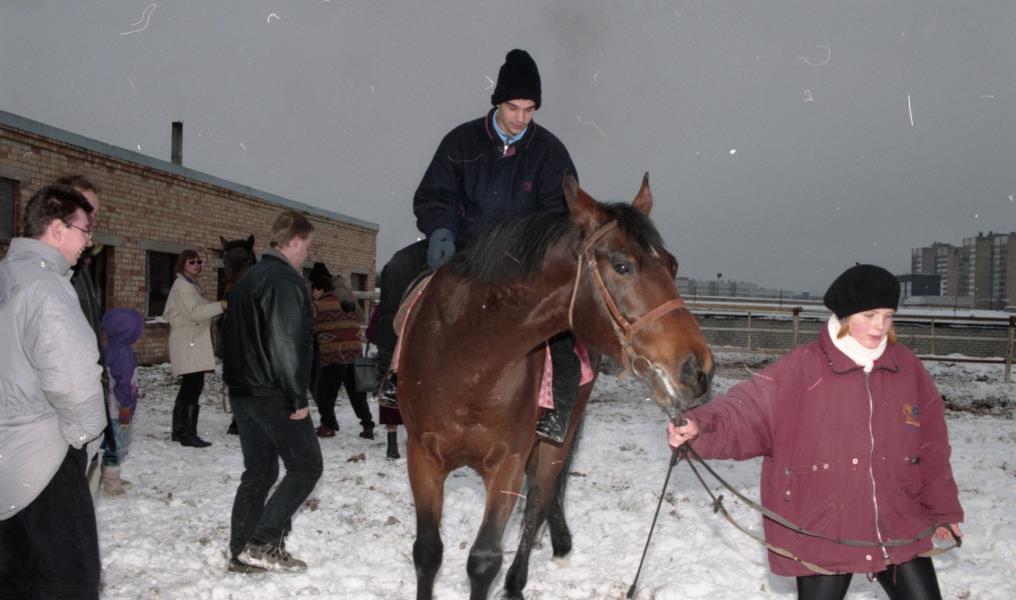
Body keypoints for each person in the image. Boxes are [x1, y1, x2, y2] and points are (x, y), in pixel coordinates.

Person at [667, 264, 964, 600]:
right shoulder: (801, 369)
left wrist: (943, 511)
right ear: (845, 315)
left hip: (897, 523)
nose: (880, 325)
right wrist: (700, 428)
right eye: (869, 315)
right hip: (826, 526)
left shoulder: (907, 369)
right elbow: (744, 412)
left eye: (888, 316)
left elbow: (932, 446)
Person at [375, 48, 581, 443]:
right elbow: (434, 194)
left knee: (564, 310)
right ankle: (392, 374)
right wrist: (440, 231)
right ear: (497, 102)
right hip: (463, 248)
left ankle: (559, 405)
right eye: (513, 107)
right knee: (398, 269)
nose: (521, 118)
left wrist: (532, 251)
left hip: (521, 257)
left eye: (529, 110)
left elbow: (561, 215)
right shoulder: (461, 141)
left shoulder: (550, 153)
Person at [0, 184, 106, 599]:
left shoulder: (8, 275)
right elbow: (74, 382)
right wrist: (85, 439)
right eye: (84, 230)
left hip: (7, 459)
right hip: (44, 460)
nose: (88, 242)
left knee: (16, 576)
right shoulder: (46, 288)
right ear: (58, 229)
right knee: (68, 578)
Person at [223, 210, 323, 574]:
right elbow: (286, 343)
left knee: (260, 472)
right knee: (307, 466)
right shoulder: (283, 280)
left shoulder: (248, 278)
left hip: (244, 391)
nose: (307, 254)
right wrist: (297, 397)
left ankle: (241, 550)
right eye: (307, 246)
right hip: (273, 392)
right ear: (294, 241)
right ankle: (263, 541)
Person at [54, 174, 117, 491]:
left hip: (85, 409)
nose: (92, 221)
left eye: (95, 213)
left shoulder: (80, 268)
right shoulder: (46, 278)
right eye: (86, 211)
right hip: (59, 423)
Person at [163, 249, 224, 448]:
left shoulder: (192, 285)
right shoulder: (183, 286)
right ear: (182, 264)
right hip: (188, 341)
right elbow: (195, 313)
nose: (197, 265)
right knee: (193, 386)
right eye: (192, 262)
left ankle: (180, 430)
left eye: (199, 262)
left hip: (191, 340)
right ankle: (187, 433)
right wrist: (221, 305)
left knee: (190, 386)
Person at [310, 273, 375, 440]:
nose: (312, 294)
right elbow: (359, 320)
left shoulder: (317, 307)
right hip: (354, 353)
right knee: (357, 394)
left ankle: (328, 426)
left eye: (313, 291)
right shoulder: (348, 304)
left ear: (319, 289)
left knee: (325, 393)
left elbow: (309, 330)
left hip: (333, 355)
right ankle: (367, 424)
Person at [99, 308, 144, 496]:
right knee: (117, 445)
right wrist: (126, 406)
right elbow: (123, 384)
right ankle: (111, 482)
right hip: (118, 408)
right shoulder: (123, 353)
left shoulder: (108, 348)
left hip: (107, 407)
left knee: (112, 441)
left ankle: (109, 474)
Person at [365, 303, 401, 459]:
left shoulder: (382, 308)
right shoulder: (416, 301)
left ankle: (392, 446)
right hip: (413, 357)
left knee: (389, 397)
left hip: (387, 355)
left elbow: (370, 334)